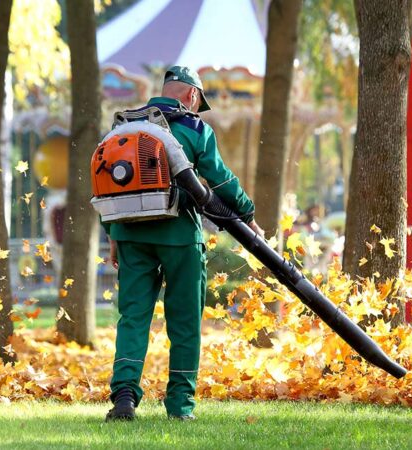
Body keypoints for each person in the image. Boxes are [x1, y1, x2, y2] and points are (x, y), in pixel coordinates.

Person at [101, 66, 264, 421]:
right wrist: (247, 214)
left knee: (133, 318)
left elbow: (106, 184)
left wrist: (112, 235)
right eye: (197, 101)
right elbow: (219, 181)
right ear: (192, 95)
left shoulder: (122, 128)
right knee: (185, 321)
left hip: (129, 234)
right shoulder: (193, 127)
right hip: (179, 238)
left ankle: (125, 396)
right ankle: (180, 405)